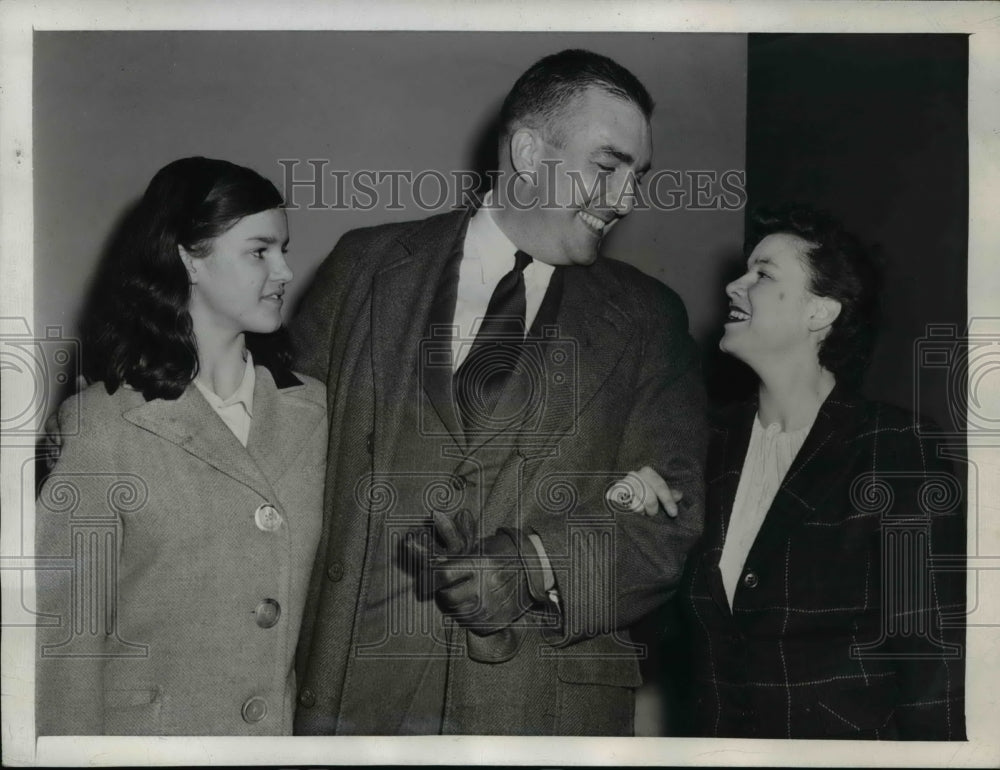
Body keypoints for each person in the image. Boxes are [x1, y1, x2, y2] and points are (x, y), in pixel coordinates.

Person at [290, 49, 707, 736]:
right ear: (527, 152)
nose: (627, 199)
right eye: (608, 166)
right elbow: (277, 458)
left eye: (638, 175)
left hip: (536, 710)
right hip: (353, 701)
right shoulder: (363, 268)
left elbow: (672, 517)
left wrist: (536, 565)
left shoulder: (649, 319)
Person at [613, 205, 966, 739]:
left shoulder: (895, 448)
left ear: (819, 312)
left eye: (763, 274)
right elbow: (668, 636)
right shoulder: (705, 445)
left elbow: (931, 660)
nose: (734, 285)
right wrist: (638, 520)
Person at [35, 157, 327, 735]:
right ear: (189, 259)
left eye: (284, 249)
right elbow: (61, 647)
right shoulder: (101, 426)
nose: (286, 271)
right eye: (260, 250)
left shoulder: (314, 411)